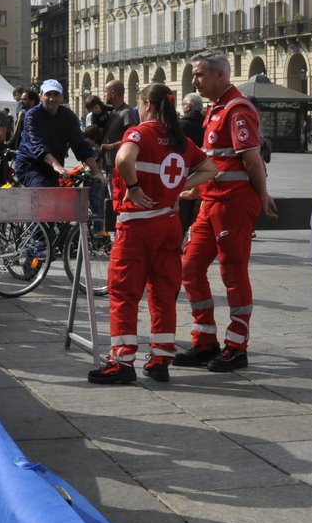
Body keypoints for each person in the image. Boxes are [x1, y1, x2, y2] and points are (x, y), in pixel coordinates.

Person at [89, 83, 214, 384]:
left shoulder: (139, 133)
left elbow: (122, 159)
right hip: (169, 224)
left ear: (146, 104)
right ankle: (160, 358)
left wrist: (133, 187)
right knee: (163, 293)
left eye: (139, 103)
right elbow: (211, 168)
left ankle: (121, 360)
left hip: (137, 225)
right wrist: (179, 188)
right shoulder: (179, 139)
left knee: (124, 292)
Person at [175, 50, 278, 373]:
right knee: (190, 267)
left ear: (221, 75)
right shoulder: (216, 109)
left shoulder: (237, 109)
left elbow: (251, 159)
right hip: (212, 202)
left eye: (200, 74)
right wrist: (195, 189)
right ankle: (205, 340)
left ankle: (237, 346)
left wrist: (262, 195)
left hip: (233, 203)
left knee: (232, 272)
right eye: (194, 74)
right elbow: (217, 161)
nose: (194, 80)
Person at [12, 80, 102, 188]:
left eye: (56, 94)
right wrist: (56, 164)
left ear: (62, 97)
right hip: (30, 165)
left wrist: (97, 173)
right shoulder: (32, 115)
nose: (52, 98)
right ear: (40, 96)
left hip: (53, 167)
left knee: (54, 197)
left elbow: (80, 145)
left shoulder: (68, 115)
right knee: (43, 192)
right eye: (48, 94)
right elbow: (37, 145)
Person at [178, 92, 207, 232]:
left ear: (188, 107)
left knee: (182, 213)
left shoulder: (179, 126)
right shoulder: (207, 124)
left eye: (184, 104)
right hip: (205, 172)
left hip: (184, 173)